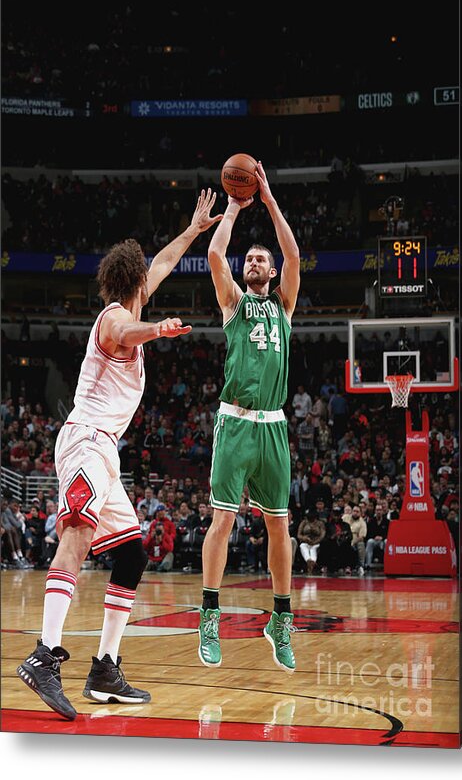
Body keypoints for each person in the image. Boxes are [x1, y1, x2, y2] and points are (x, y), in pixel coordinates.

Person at [17, 188, 222, 720]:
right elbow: (126, 329)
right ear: (134, 286)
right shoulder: (114, 317)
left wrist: (194, 230)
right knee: (77, 535)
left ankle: (105, 669)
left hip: (104, 450)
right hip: (84, 438)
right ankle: (43, 655)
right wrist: (156, 330)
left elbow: (166, 261)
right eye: (145, 283)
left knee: (131, 554)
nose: (150, 284)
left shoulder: (133, 297)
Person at [199, 161, 300, 673]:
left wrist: (268, 198)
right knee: (223, 519)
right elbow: (216, 252)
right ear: (245, 273)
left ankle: (279, 622)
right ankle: (209, 614)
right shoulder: (234, 304)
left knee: (280, 527)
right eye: (253, 259)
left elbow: (294, 253)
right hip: (235, 422)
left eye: (264, 258)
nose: (258, 261)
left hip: (274, 426)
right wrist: (236, 208)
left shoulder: (284, 305)